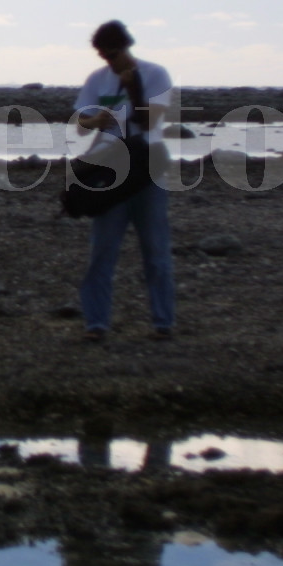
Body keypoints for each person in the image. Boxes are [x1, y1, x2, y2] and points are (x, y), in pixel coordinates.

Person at [72, 20, 175, 342]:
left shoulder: (155, 74)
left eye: (113, 54)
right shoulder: (97, 79)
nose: (108, 61)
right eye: (103, 55)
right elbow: (80, 125)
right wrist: (96, 119)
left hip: (146, 170)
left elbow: (151, 120)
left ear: (126, 47)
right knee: (102, 250)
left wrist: (133, 90)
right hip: (108, 170)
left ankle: (163, 322)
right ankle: (96, 324)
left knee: (155, 249)